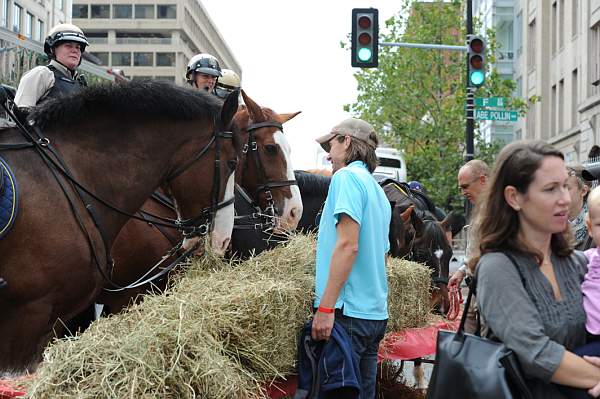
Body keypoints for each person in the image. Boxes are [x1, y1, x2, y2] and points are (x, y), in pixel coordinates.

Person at [472, 140, 600, 398]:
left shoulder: (578, 263)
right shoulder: (497, 267)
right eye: (551, 189)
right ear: (514, 197)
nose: (564, 199)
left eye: (565, 186)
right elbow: (536, 353)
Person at [311, 118, 391, 399]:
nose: (328, 154)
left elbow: (348, 246)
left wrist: (326, 308)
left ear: (346, 141)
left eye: (331, 144)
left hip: (347, 316)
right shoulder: (378, 191)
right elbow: (382, 255)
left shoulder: (345, 178)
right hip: (374, 316)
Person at [448, 159, 489, 332]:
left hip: (488, 288)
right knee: (467, 333)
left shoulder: (499, 208)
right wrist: (462, 271)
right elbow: (476, 248)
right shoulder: (481, 207)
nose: (463, 192)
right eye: (460, 188)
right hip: (475, 286)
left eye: (465, 186)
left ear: (482, 180)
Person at [14, 23, 89, 112]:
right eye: (68, 46)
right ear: (53, 49)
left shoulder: (81, 83)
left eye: (78, 47)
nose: (75, 50)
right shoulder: (42, 73)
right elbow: (20, 112)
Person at [567, 165, 593, 250]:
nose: (560, 193)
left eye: (566, 187)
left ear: (583, 191)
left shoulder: (596, 223)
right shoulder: (550, 225)